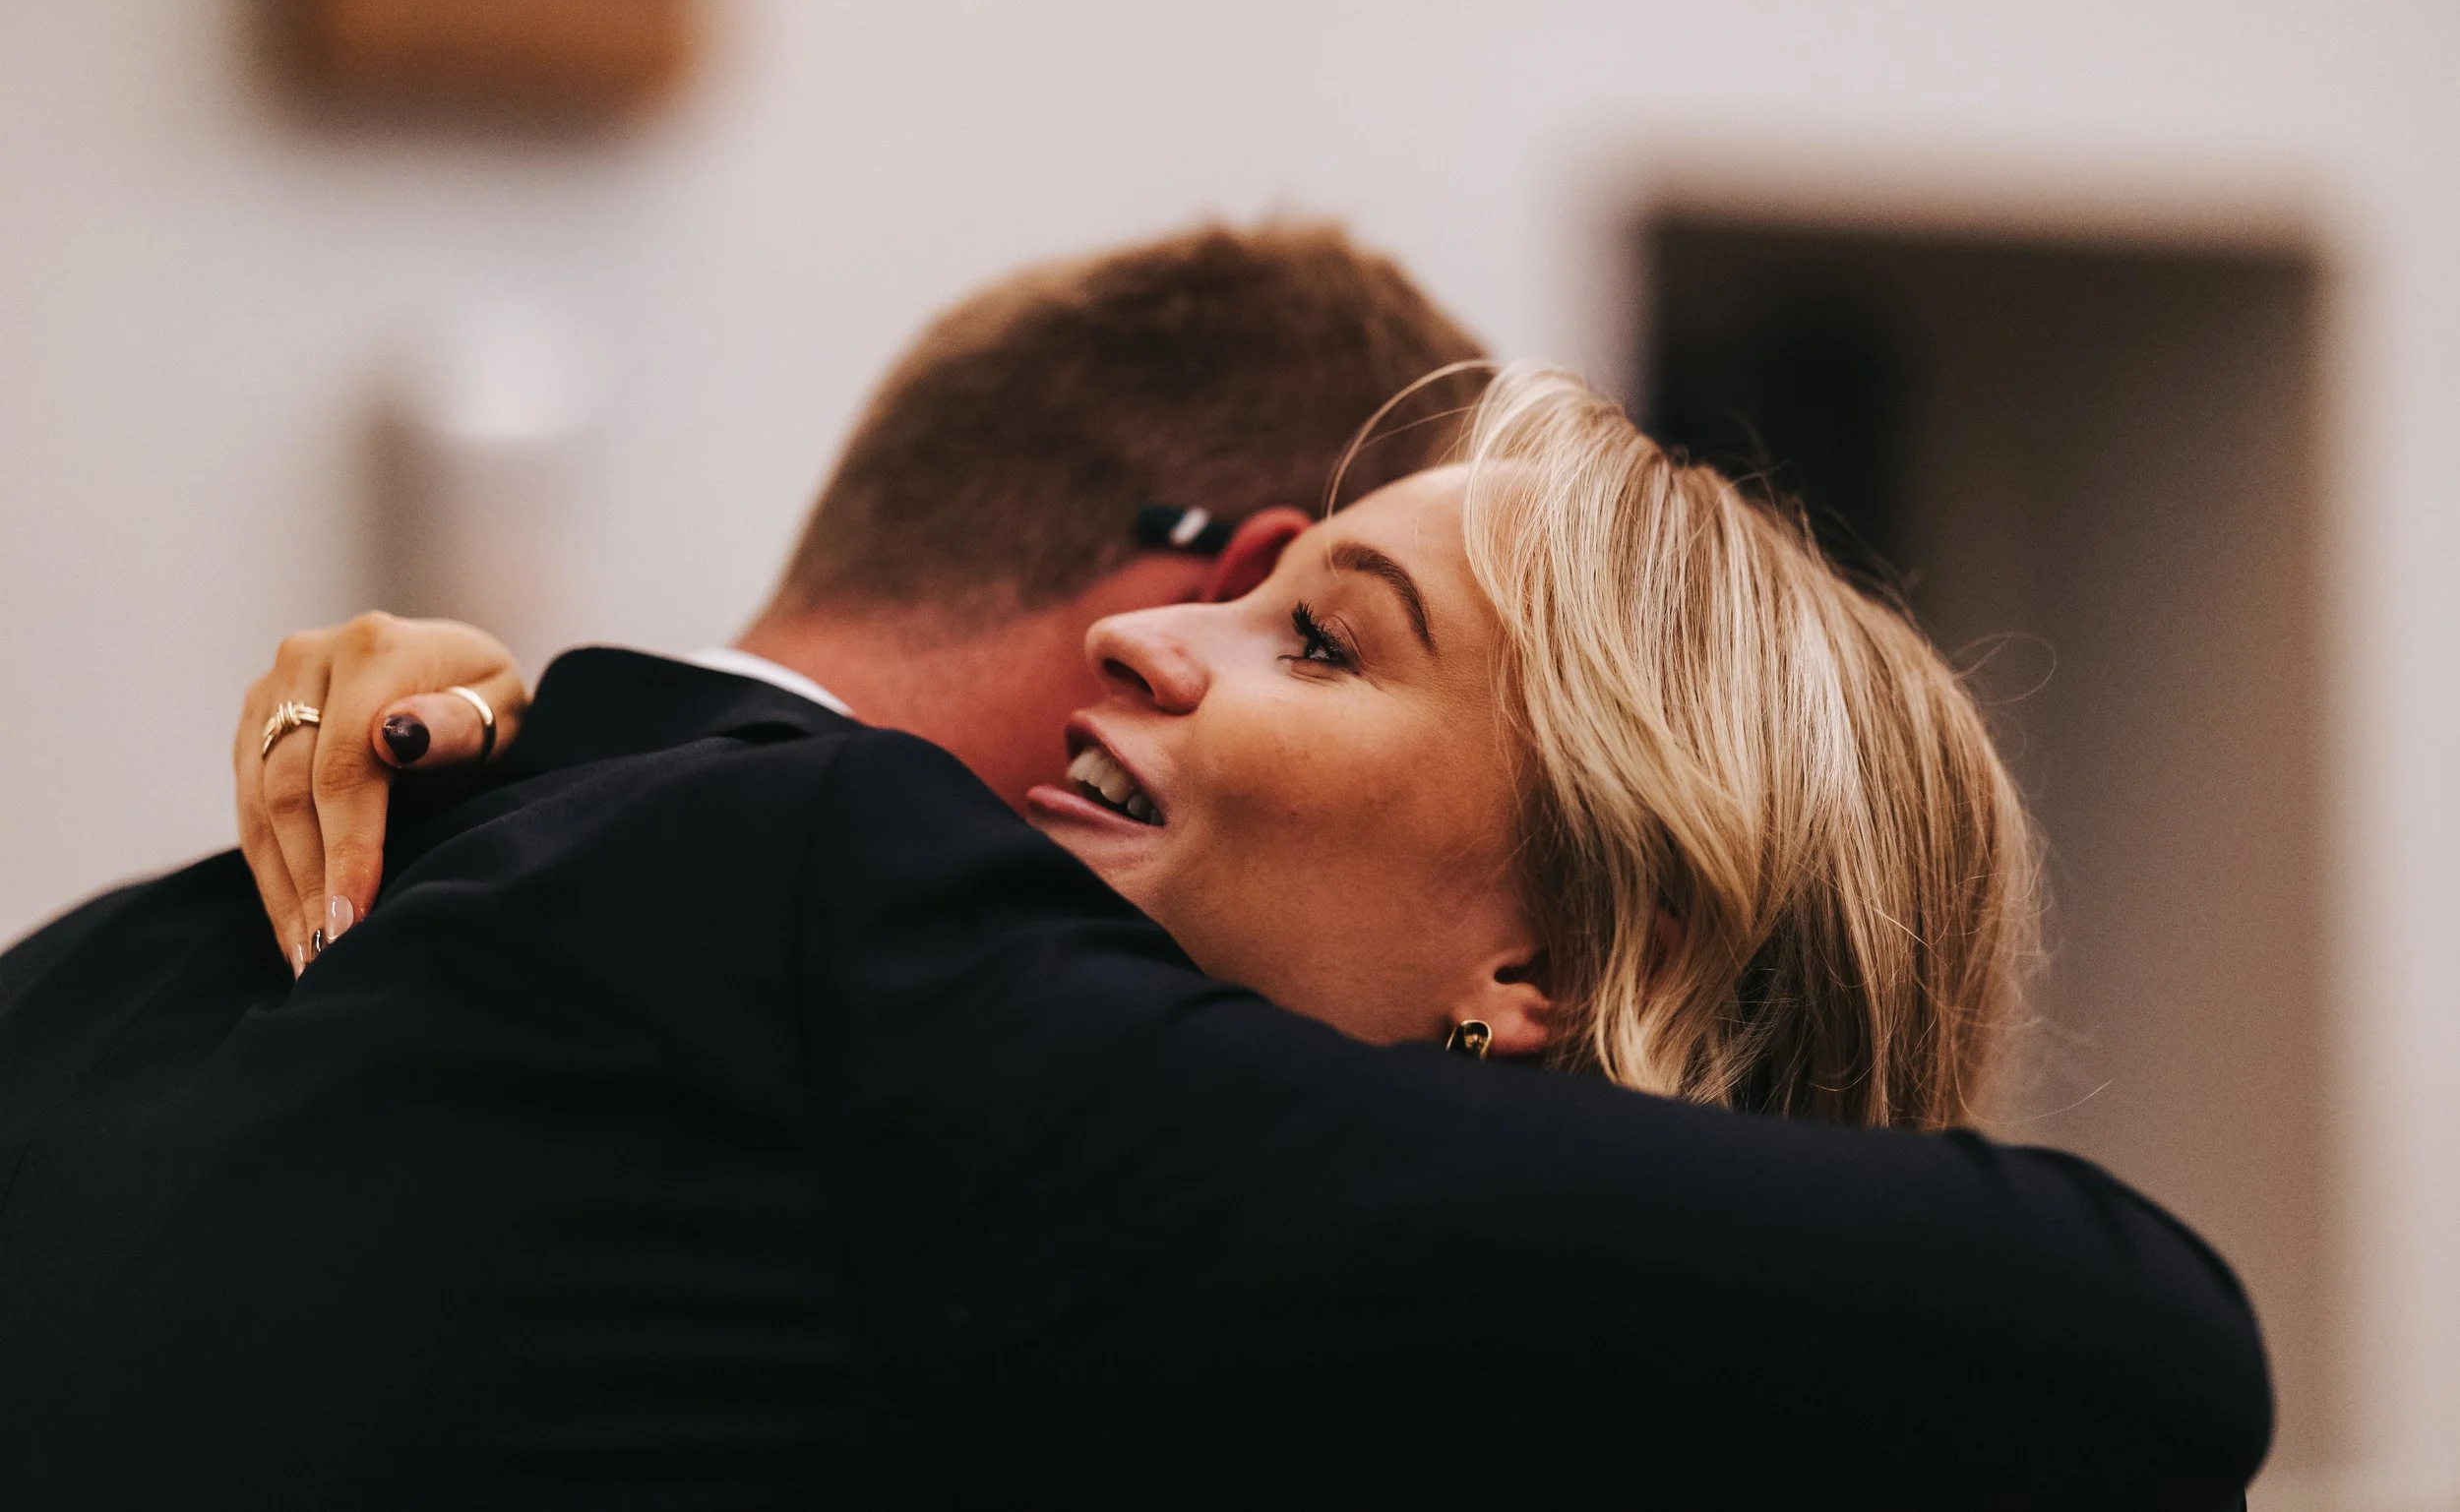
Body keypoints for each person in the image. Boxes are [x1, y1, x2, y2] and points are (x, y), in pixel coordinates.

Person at [0, 229, 2269, 1506]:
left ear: (1561, 959)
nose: (1138, 640)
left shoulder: (122, 967)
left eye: (1313, 634)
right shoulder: (846, 953)